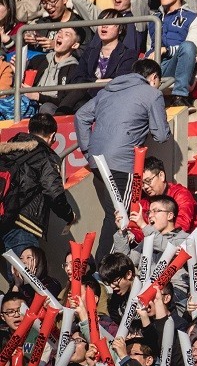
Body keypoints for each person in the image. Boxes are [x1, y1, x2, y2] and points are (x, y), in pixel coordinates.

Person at [74, 59, 169, 252]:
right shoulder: (152, 94)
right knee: (120, 217)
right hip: (122, 163)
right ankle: (106, 263)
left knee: (112, 214)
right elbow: (161, 135)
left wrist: (88, 150)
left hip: (97, 161)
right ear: (154, 77)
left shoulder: (107, 91)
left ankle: (104, 261)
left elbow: (81, 116)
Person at [0, 113, 75, 257]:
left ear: (28, 131)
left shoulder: (7, 150)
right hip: (23, 224)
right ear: (53, 136)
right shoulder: (46, 156)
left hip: (2, 217)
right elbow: (54, 193)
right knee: (26, 270)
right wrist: (69, 215)